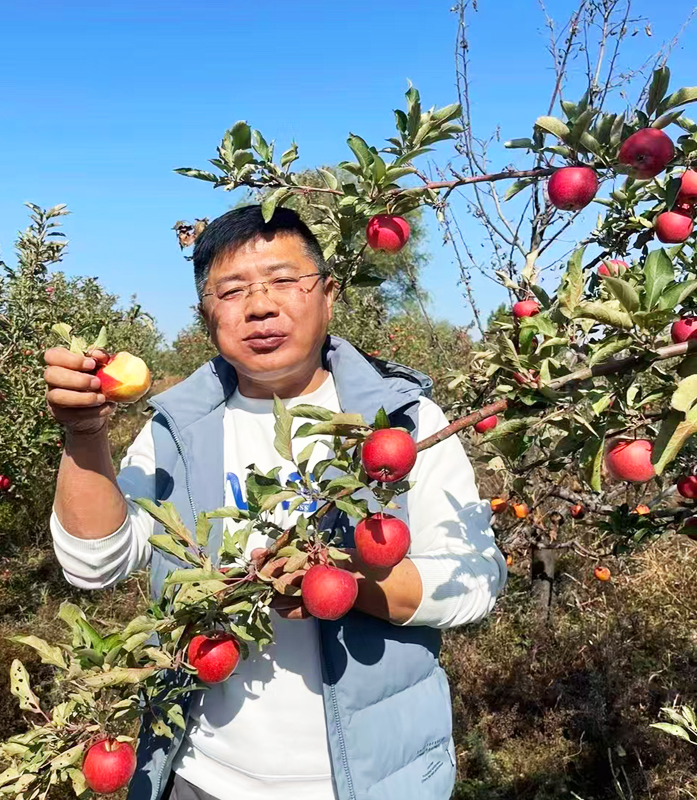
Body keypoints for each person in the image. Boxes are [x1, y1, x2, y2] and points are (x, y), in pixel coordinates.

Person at [44, 205, 506, 800]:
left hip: (373, 784)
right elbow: (93, 564)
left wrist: (339, 584)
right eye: (232, 290)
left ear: (329, 294)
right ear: (206, 316)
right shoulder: (176, 428)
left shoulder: (404, 424)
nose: (260, 306)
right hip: (201, 778)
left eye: (284, 281)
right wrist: (84, 436)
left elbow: (475, 583)